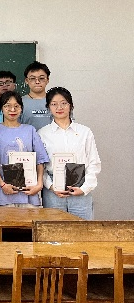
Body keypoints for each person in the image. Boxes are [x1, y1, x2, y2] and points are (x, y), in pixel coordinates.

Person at [38, 87, 101, 220]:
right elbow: (40, 167)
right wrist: (51, 186)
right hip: (53, 192)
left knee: (82, 230)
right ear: (48, 107)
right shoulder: (42, 134)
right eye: (54, 104)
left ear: (71, 105)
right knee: (54, 230)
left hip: (80, 189)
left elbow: (94, 162)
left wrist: (85, 188)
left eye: (64, 103)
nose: (59, 107)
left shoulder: (85, 132)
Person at [0, 91, 49, 207]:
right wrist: (2, 184)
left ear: (21, 109)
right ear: (1, 108)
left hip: (29, 191)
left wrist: (39, 184)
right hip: (4, 192)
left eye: (16, 106)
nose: (12, 110)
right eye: (7, 106)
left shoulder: (30, 130)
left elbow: (40, 160)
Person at [21, 61, 52, 130]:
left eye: (41, 78)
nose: (37, 82)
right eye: (32, 78)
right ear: (26, 81)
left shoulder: (56, 101)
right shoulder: (19, 102)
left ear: (47, 80)